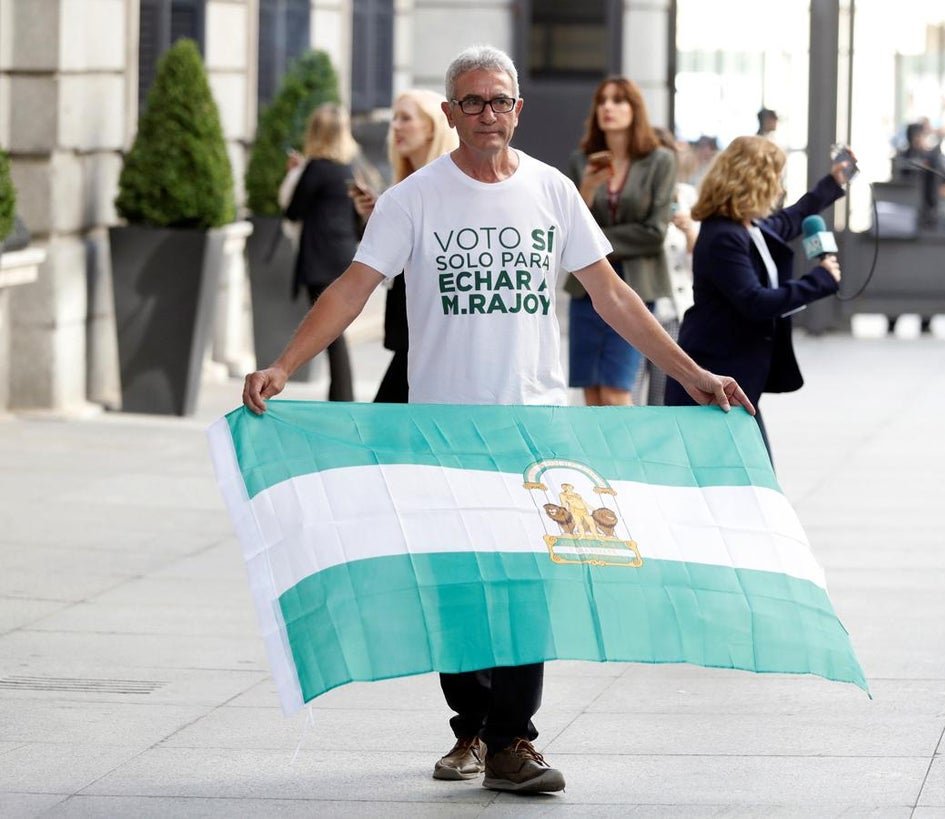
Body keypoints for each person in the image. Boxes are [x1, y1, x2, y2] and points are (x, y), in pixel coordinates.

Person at [242, 44, 754, 795]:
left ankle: (514, 737)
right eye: (474, 102)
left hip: (531, 430)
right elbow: (352, 288)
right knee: (456, 583)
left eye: (501, 101)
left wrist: (694, 374)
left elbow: (613, 296)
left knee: (523, 583)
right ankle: (471, 726)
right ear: (451, 114)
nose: (489, 114)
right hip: (440, 429)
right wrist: (284, 365)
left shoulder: (551, 191)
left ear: (518, 108)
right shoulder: (412, 200)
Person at [664, 136, 852, 460]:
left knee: (747, 482)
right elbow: (754, 301)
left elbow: (793, 217)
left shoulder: (748, 227)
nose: (780, 189)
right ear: (755, 182)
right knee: (740, 481)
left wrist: (833, 182)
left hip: (734, 379)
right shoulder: (723, 235)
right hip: (713, 379)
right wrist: (818, 281)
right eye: (776, 179)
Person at [564, 76, 676, 406]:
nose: (608, 107)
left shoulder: (659, 162)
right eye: (602, 101)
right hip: (587, 289)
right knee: (592, 394)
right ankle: (598, 461)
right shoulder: (581, 161)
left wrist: (595, 241)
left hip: (636, 288)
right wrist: (586, 190)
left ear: (634, 110)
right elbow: (569, 226)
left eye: (618, 100)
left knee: (616, 392)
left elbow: (654, 233)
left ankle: (627, 460)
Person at [350, 90, 459, 404]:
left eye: (406, 118)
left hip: (431, 332)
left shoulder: (449, 186)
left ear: (432, 127)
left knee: (384, 434)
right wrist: (377, 219)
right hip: (406, 331)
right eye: (394, 118)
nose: (395, 126)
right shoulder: (401, 189)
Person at [283, 104, 363, 401]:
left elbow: (293, 211)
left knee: (330, 334)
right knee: (334, 334)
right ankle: (341, 396)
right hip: (343, 255)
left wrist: (294, 175)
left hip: (320, 258)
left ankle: (343, 399)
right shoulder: (348, 169)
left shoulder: (316, 169)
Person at [633, 127, 699, 405]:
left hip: (672, 313)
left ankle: (659, 450)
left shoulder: (686, 196)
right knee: (627, 399)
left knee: (663, 399)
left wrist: (689, 233)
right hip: (634, 314)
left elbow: (700, 263)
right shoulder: (629, 198)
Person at [888, 120, 939, 334]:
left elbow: (936, 185)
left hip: (926, 219)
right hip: (903, 219)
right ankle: (892, 318)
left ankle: (926, 319)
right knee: (897, 271)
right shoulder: (902, 157)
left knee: (928, 272)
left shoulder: (932, 158)